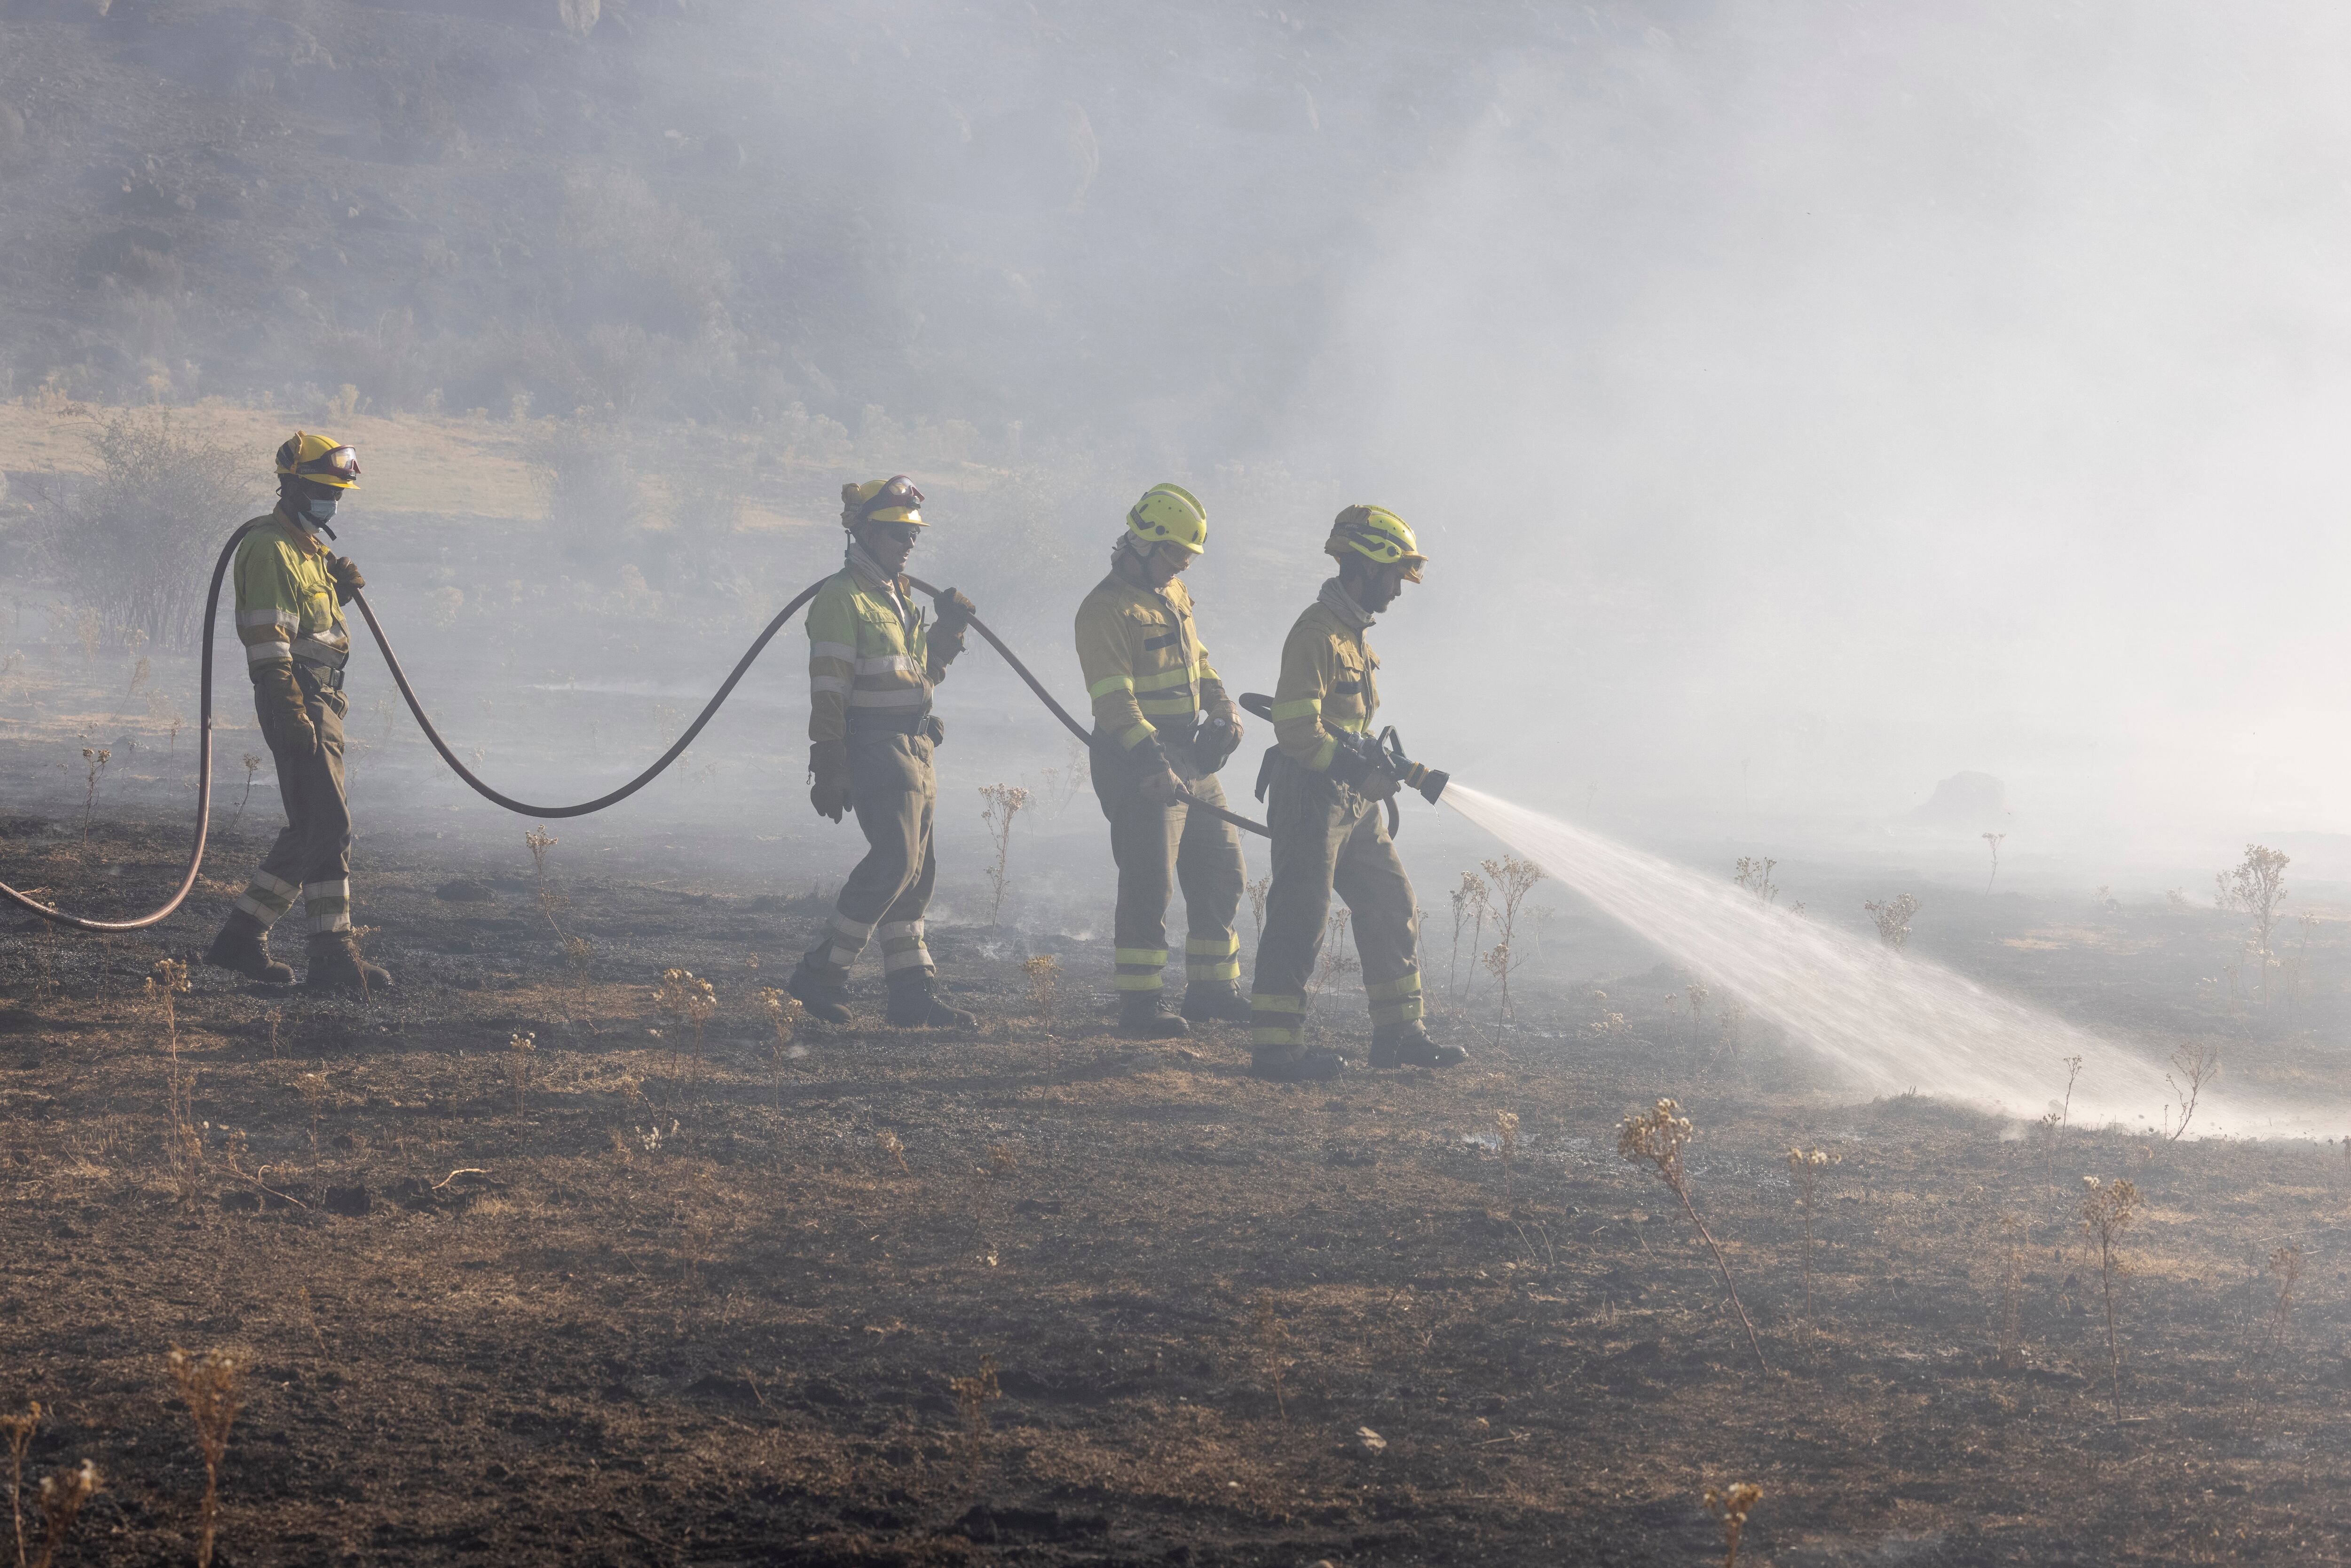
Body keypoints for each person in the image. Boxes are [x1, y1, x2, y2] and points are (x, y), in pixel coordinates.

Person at [1246, 505, 1466, 1080]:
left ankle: (1399, 1036)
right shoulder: (1314, 634)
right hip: (1310, 794)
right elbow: (1295, 728)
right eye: (1393, 575)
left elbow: (1349, 725)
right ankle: (1275, 1050)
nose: (1397, 590)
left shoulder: (1355, 639)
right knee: (1301, 917)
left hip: (1352, 798)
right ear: (1364, 567)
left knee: (1391, 903)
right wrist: (1354, 771)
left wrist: (1383, 766)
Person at [785, 475, 980, 1029]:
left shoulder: (898, 599)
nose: (907, 543)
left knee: (917, 872)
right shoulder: (841, 598)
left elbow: (924, 676)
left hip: (916, 745)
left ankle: (910, 991)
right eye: (896, 533)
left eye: (912, 535)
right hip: (874, 744)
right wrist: (828, 761)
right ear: (865, 531)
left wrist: (949, 630)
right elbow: (829, 688)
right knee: (894, 861)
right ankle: (819, 973)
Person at [201, 432, 389, 992]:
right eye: (319, 489)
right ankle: (332, 953)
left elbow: (312, 628)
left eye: (337, 492)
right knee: (329, 823)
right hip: (299, 696)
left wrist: (339, 595)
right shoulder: (269, 547)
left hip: (323, 695)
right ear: (289, 485)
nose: (330, 501)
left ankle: (240, 937)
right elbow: (270, 644)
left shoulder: (309, 549)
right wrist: (290, 710)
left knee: (310, 823)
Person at [1073, 483, 1252, 1038]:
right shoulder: (1105, 609)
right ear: (1143, 543)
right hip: (1138, 761)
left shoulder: (1172, 594)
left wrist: (1224, 712)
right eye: (1175, 554)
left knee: (1223, 871)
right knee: (1150, 884)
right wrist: (1152, 760)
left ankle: (1211, 990)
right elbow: (1113, 699)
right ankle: (1139, 1005)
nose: (1182, 566)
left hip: (1190, 756)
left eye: (1186, 557)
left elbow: (1200, 662)